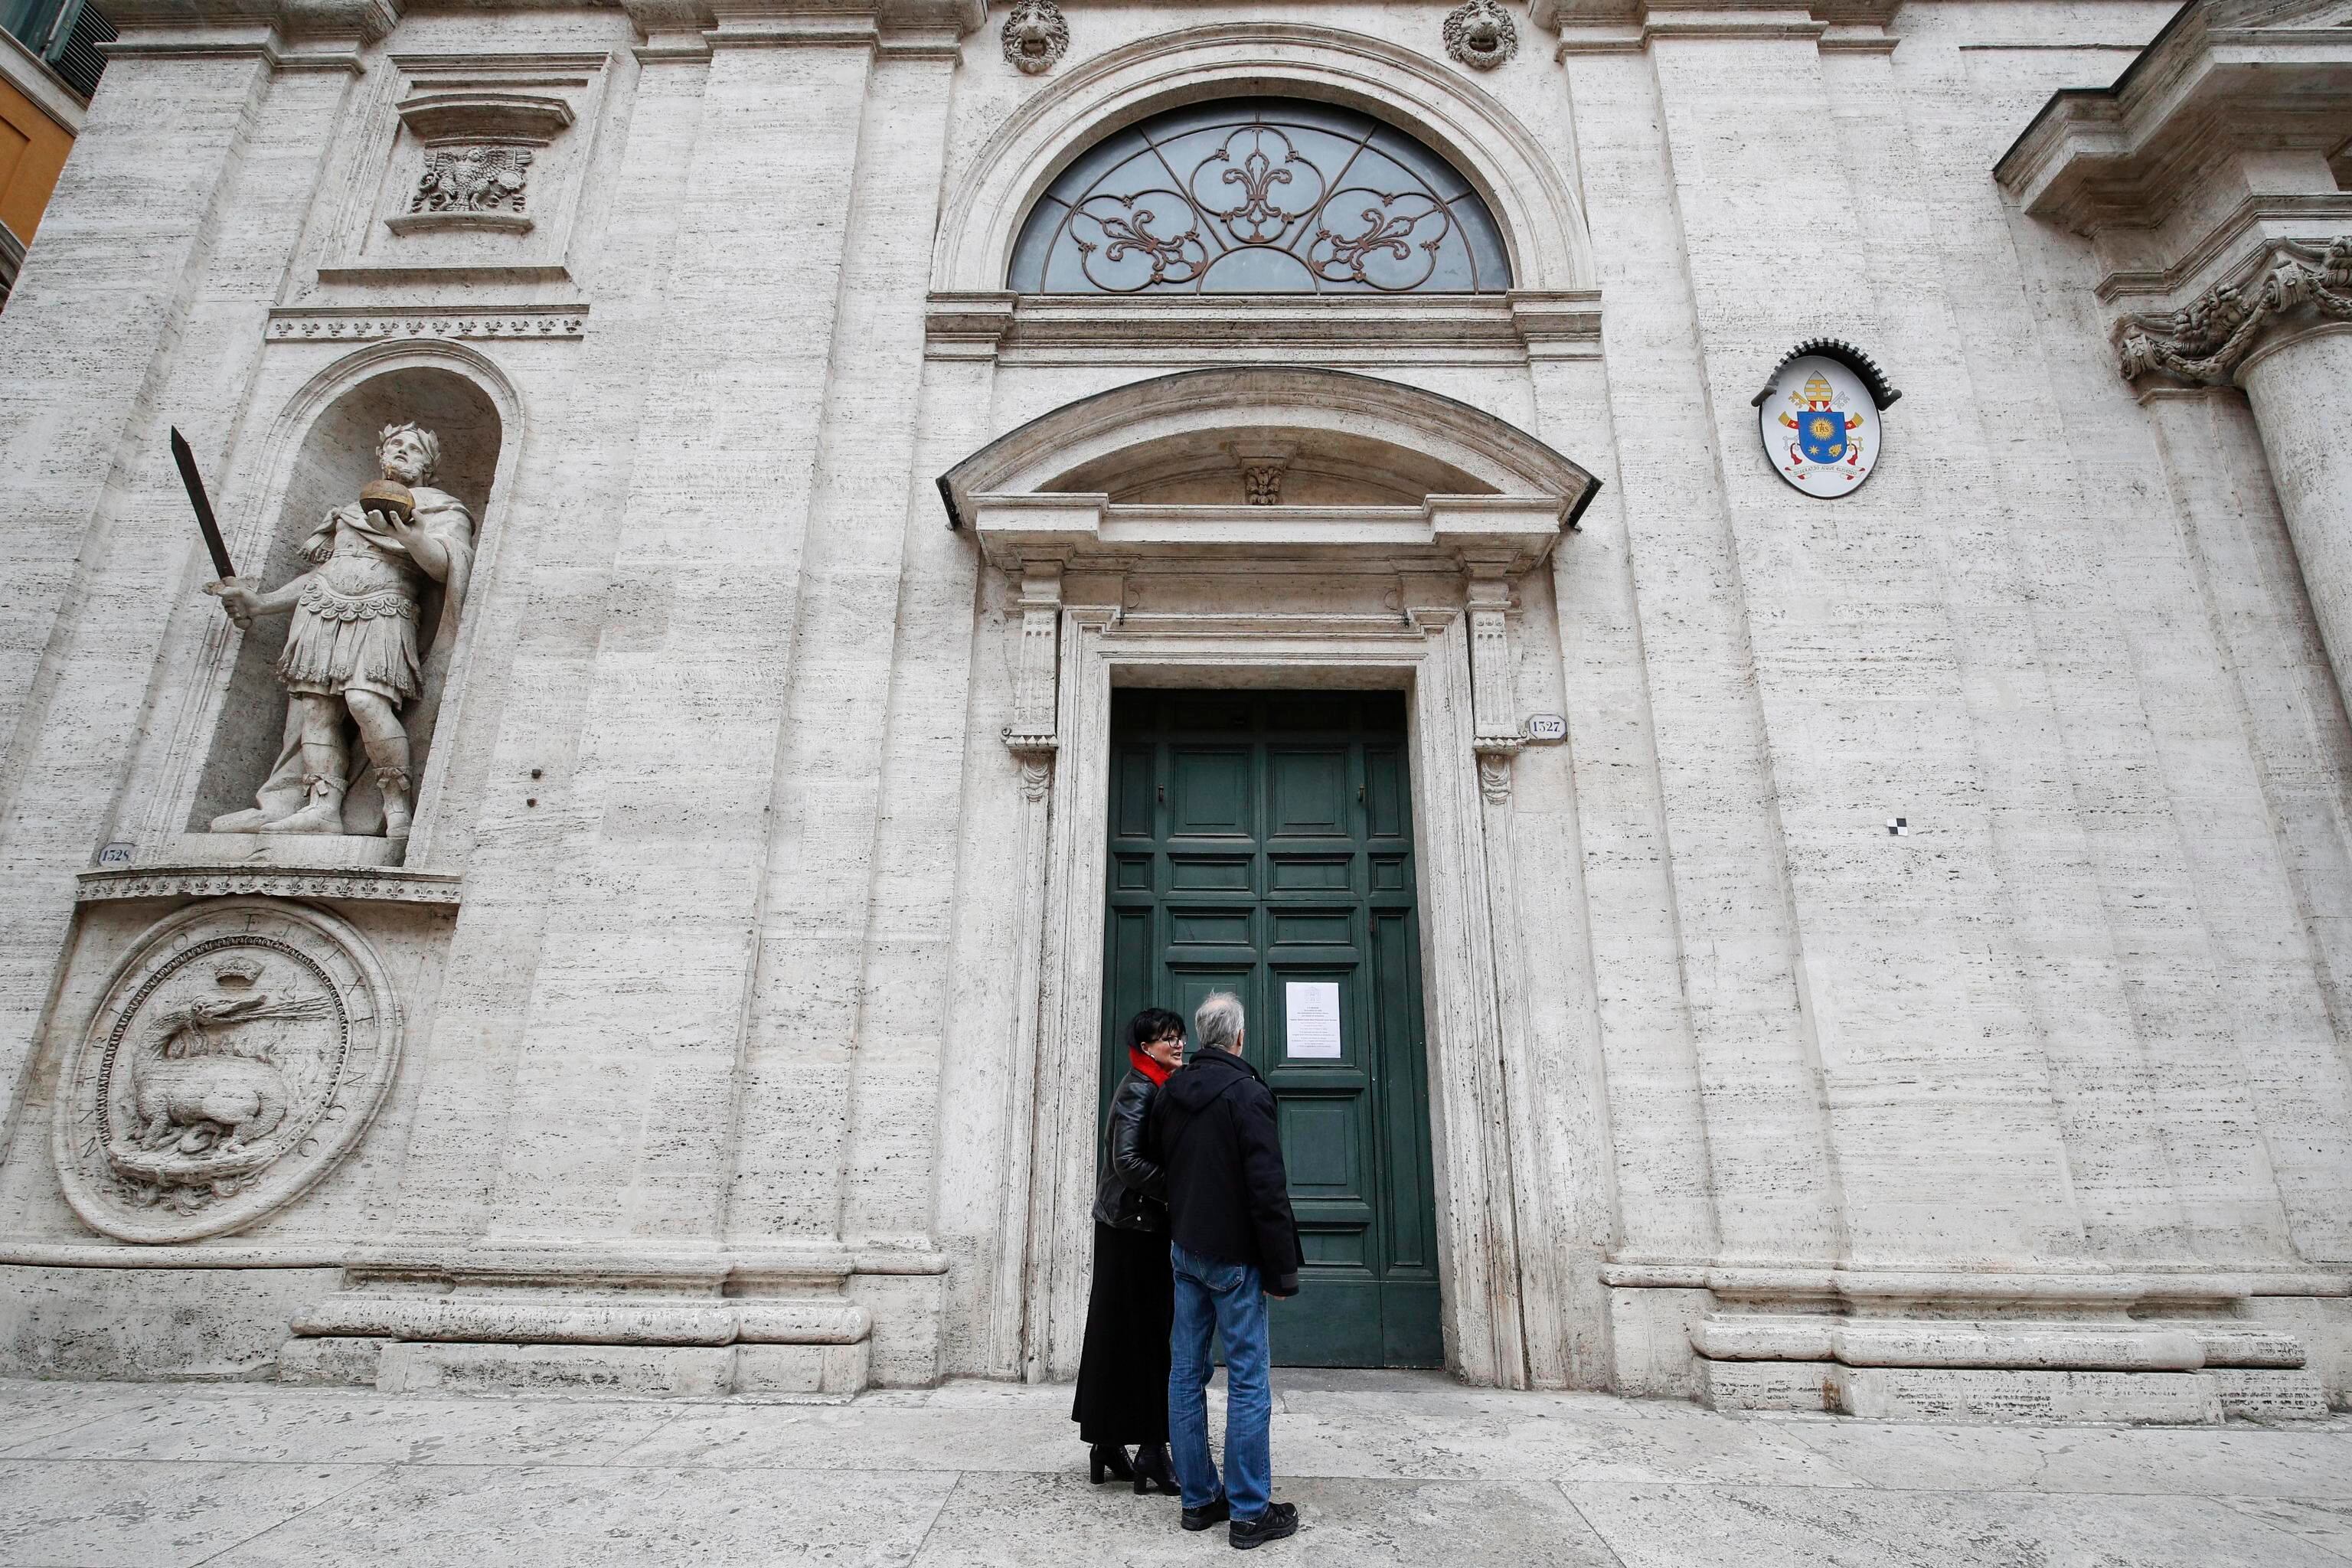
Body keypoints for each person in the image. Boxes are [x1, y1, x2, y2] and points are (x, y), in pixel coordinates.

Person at [206, 421, 474, 841]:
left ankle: (393, 805)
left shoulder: (440, 510)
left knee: (366, 701)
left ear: (429, 465)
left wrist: (411, 535)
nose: (402, 452)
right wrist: (262, 604)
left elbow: (446, 566)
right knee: (315, 710)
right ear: (381, 456)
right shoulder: (351, 512)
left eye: (414, 449)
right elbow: (323, 572)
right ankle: (321, 807)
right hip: (324, 609)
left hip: (383, 610)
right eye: (395, 446)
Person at [1145, 991, 1303, 1550]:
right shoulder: (1246, 1093)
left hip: (1186, 1250)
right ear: (1237, 1037)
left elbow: (1161, 1164)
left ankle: (1198, 1500)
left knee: (1185, 1375)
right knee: (1247, 1380)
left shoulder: (1173, 1090)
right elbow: (1267, 1190)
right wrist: (1283, 1271)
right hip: (1234, 1257)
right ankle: (1249, 1512)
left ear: (1203, 1035)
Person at [1070, 1007, 1187, 1495]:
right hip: (1135, 1230)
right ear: (1145, 1049)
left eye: (1179, 1036)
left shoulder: (1154, 1083)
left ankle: (1108, 1442)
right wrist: (1183, 1187)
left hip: (1128, 1228)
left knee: (1118, 1333)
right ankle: (1154, 1451)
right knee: (1150, 1337)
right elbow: (1128, 1162)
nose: (1179, 1045)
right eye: (1167, 1039)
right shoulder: (1141, 1087)